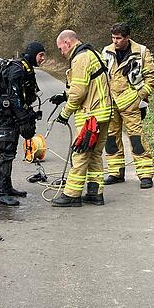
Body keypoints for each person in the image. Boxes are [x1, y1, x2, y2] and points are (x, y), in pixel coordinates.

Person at [51, 30, 112, 207]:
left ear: (68, 43)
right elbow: (87, 84)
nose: (60, 52)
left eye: (60, 48)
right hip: (103, 113)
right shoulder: (92, 54)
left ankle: (71, 195)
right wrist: (65, 95)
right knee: (94, 155)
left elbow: (78, 93)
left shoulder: (79, 59)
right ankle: (95, 193)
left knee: (80, 154)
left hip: (90, 116)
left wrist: (65, 113)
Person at [101, 22, 154, 189]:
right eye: (113, 38)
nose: (115, 41)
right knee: (111, 139)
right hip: (111, 103)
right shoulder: (106, 51)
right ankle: (115, 172)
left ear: (127, 38)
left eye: (118, 38)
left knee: (136, 139)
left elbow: (152, 76)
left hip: (131, 105)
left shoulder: (141, 52)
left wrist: (141, 95)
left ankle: (145, 174)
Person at [0, 42, 45, 206]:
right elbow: (13, 98)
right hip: (6, 117)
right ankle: (1, 193)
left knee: (11, 152)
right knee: (6, 153)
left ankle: (7, 187)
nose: (43, 58)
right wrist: (23, 120)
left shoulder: (25, 68)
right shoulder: (17, 69)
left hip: (12, 117)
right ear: (32, 54)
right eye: (40, 55)